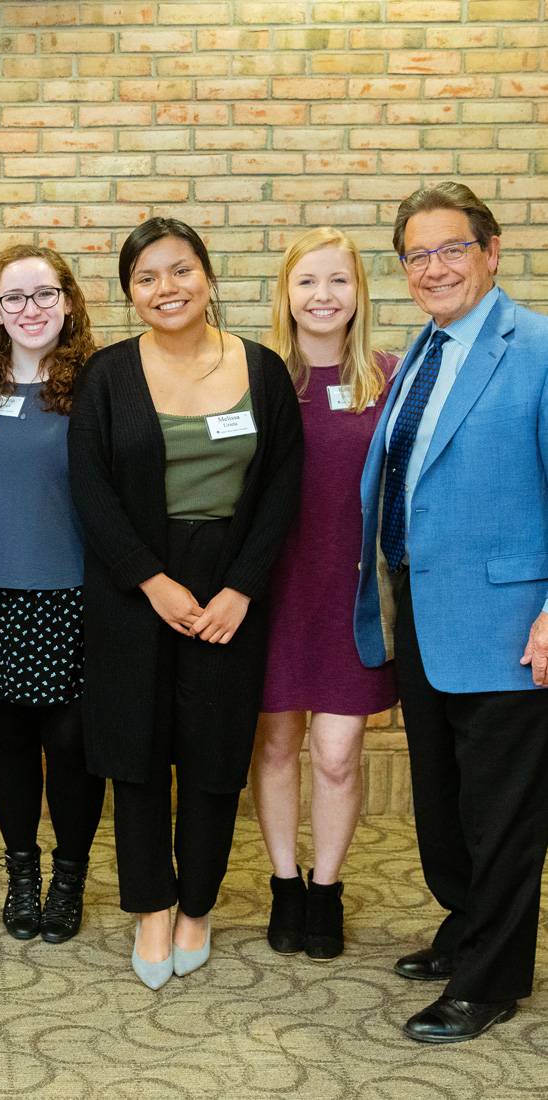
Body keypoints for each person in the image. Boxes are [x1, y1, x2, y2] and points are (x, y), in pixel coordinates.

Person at [69, 218, 303, 989]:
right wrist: (150, 579)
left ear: (207, 275)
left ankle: (197, 904)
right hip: (132, 584)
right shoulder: (106, 375)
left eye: (180, 271)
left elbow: (281, 489)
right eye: (146, 277)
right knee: (134, 753)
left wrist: (241, 587)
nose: (165, 289)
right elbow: (90, 490)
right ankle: (151, 908)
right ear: (129, 292)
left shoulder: (263, 370)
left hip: (232, 582)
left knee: (213, 755)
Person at [355, 182, 548, 1043]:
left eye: (452, 249)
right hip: (424, 614)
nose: (434, 268)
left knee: (502, 811)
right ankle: (469, 925)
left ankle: (492, 980)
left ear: (493, 250)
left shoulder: (536, 347)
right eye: (418, 256)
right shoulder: (421, 352)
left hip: (511, 623)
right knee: (444, 799)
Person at [250, 228, 398, 961]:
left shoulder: (389, 378)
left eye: (337, 282)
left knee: (337, 752)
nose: (322, 297)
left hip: (352, 596)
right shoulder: (254, 377)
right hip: (271, 593)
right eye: (307, 282)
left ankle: (327, 888)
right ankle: (284, 883)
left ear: (358, 293)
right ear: (286, 293)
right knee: (275, 744)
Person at [0, 245, 105, 943]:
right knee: (9, 739)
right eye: (13, 297)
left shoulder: (98, 383)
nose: (30, 310)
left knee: (71, 746)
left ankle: (69, 878)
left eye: (44, 294)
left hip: (73, 594)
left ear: (68, 301)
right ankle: (21, 874)